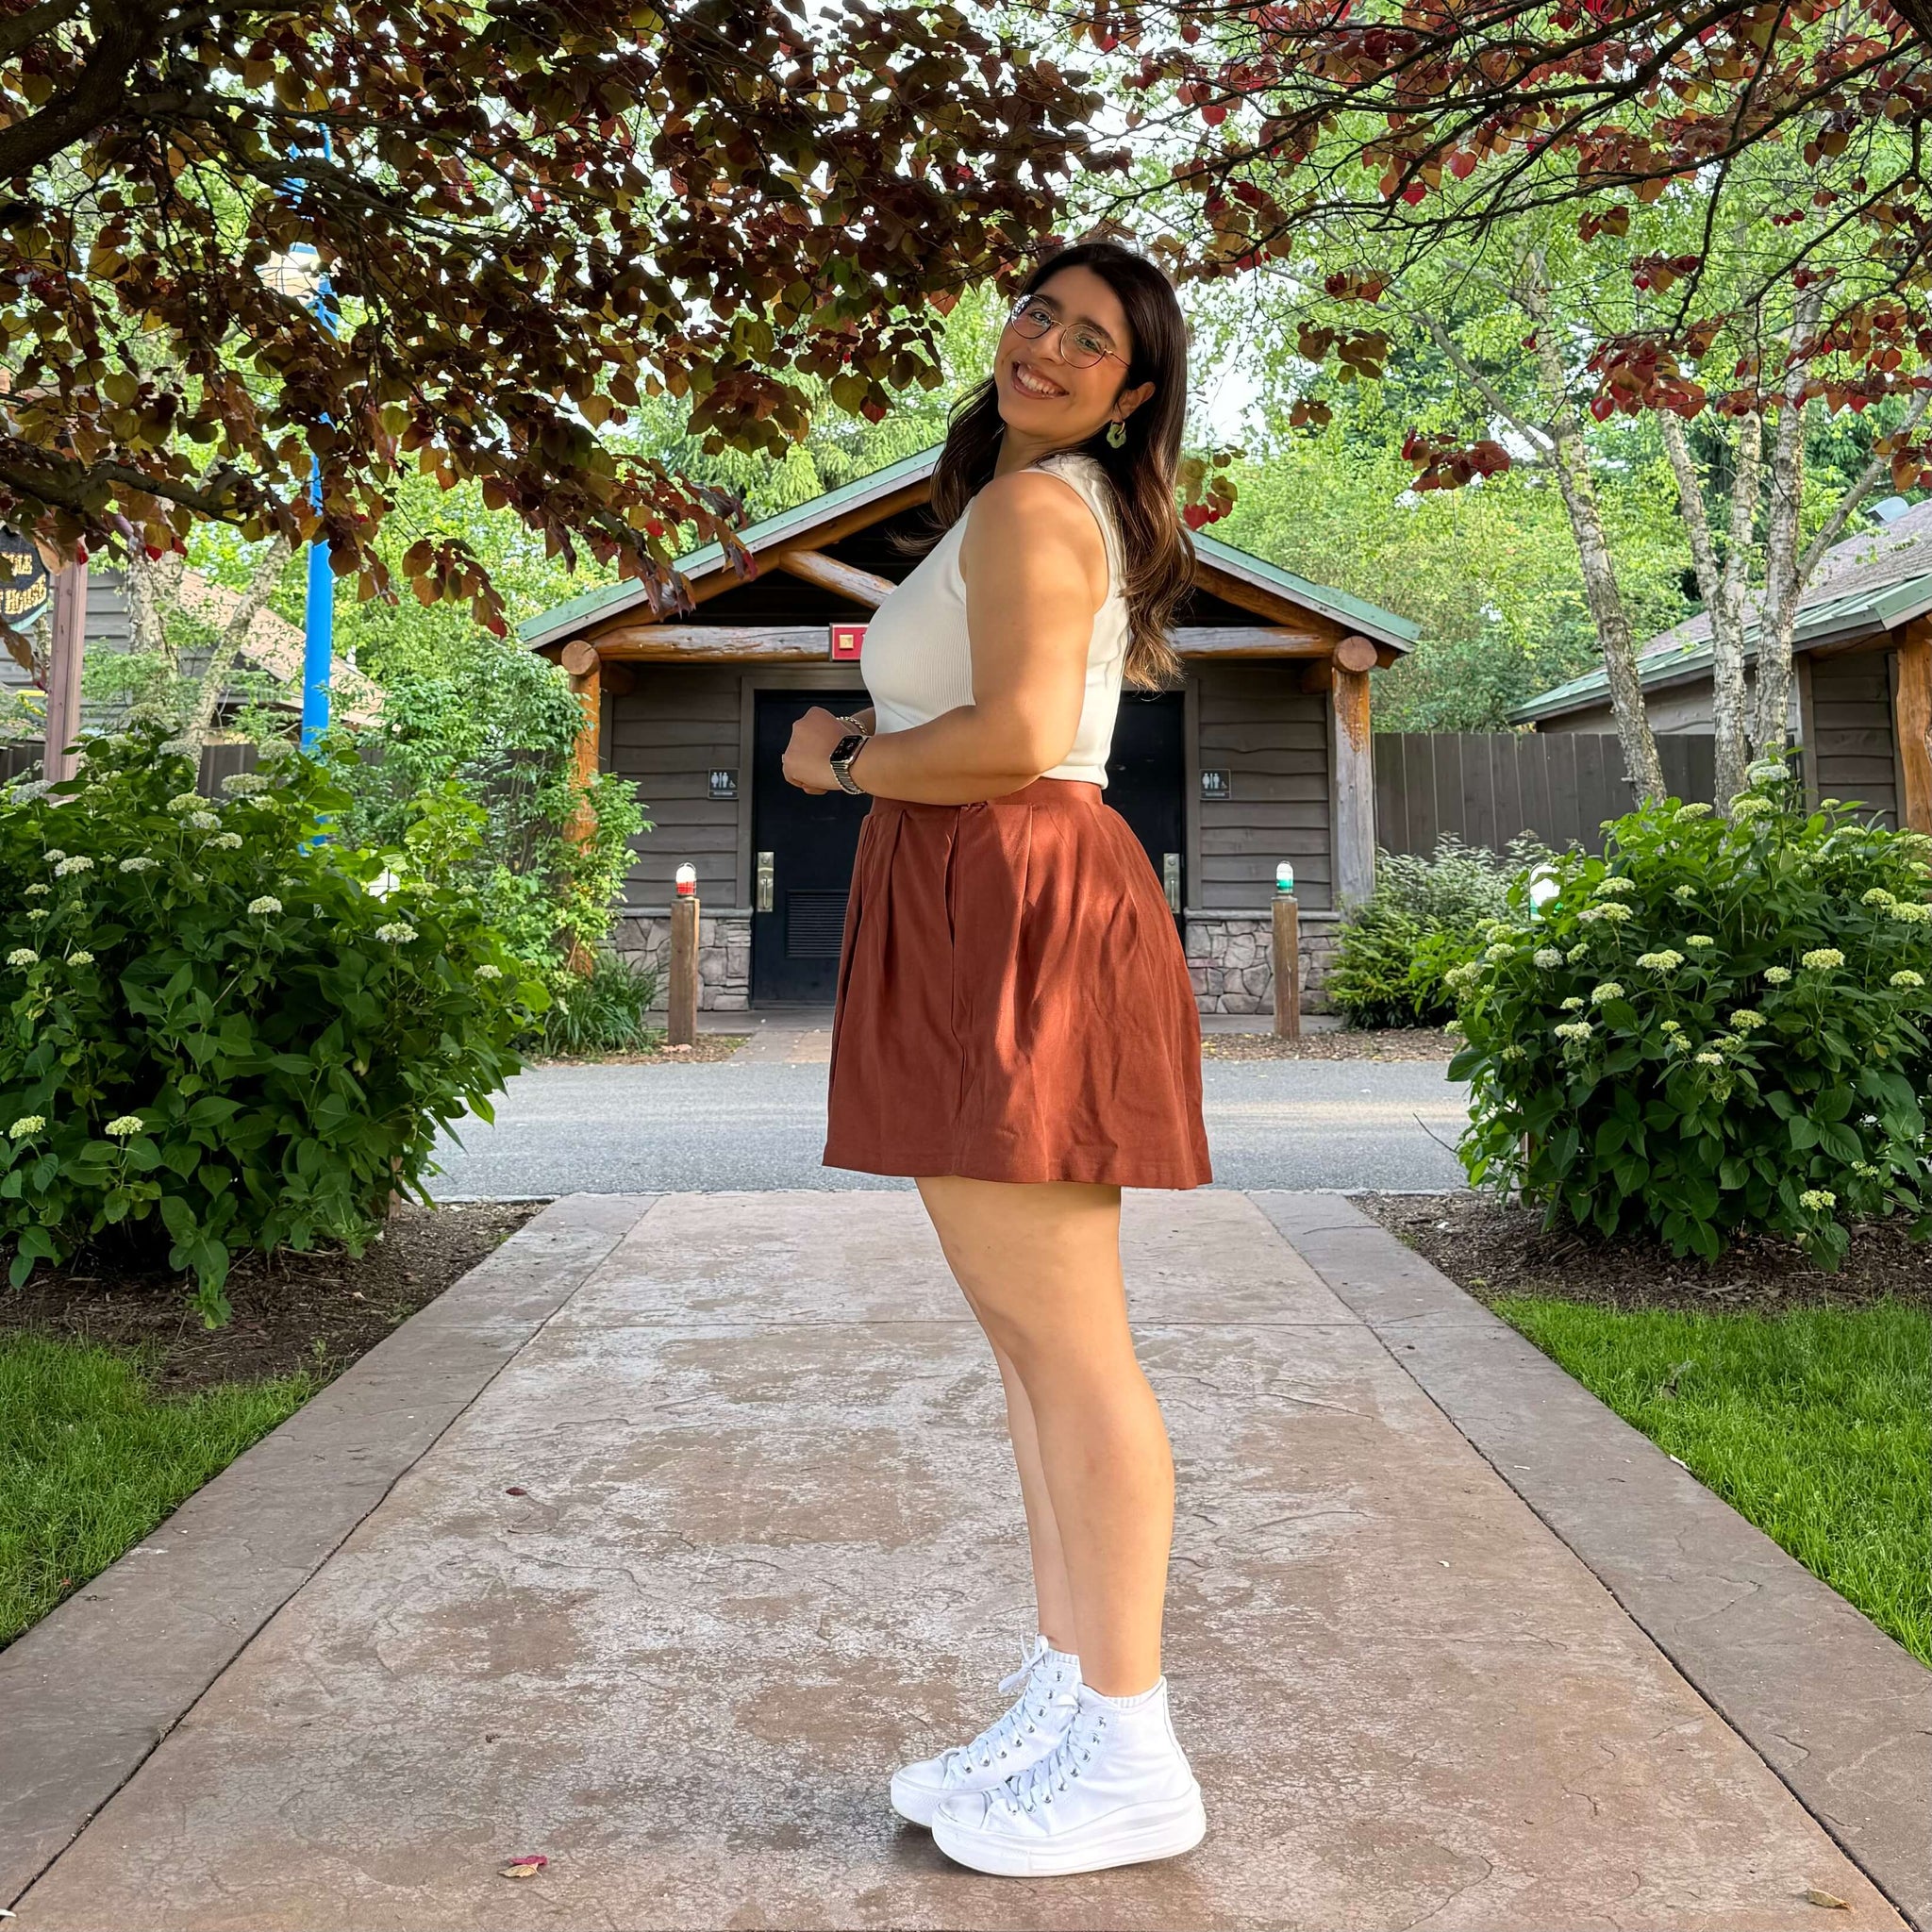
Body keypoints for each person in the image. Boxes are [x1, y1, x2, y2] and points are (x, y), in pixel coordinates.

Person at [781, 240, 1212, 1879]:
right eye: (1038, 311)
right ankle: (1070, 1693)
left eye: (1090, 338)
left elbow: (1021, 739)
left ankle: (1133, 1752)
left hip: (1010, 893)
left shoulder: (1040, 506)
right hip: (988, 888)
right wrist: (873, 757)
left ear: (1135, 391)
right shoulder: (1031, 499)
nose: (1045, 344)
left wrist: (838, 766)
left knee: (1071, 1351)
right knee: (1034, 1349)